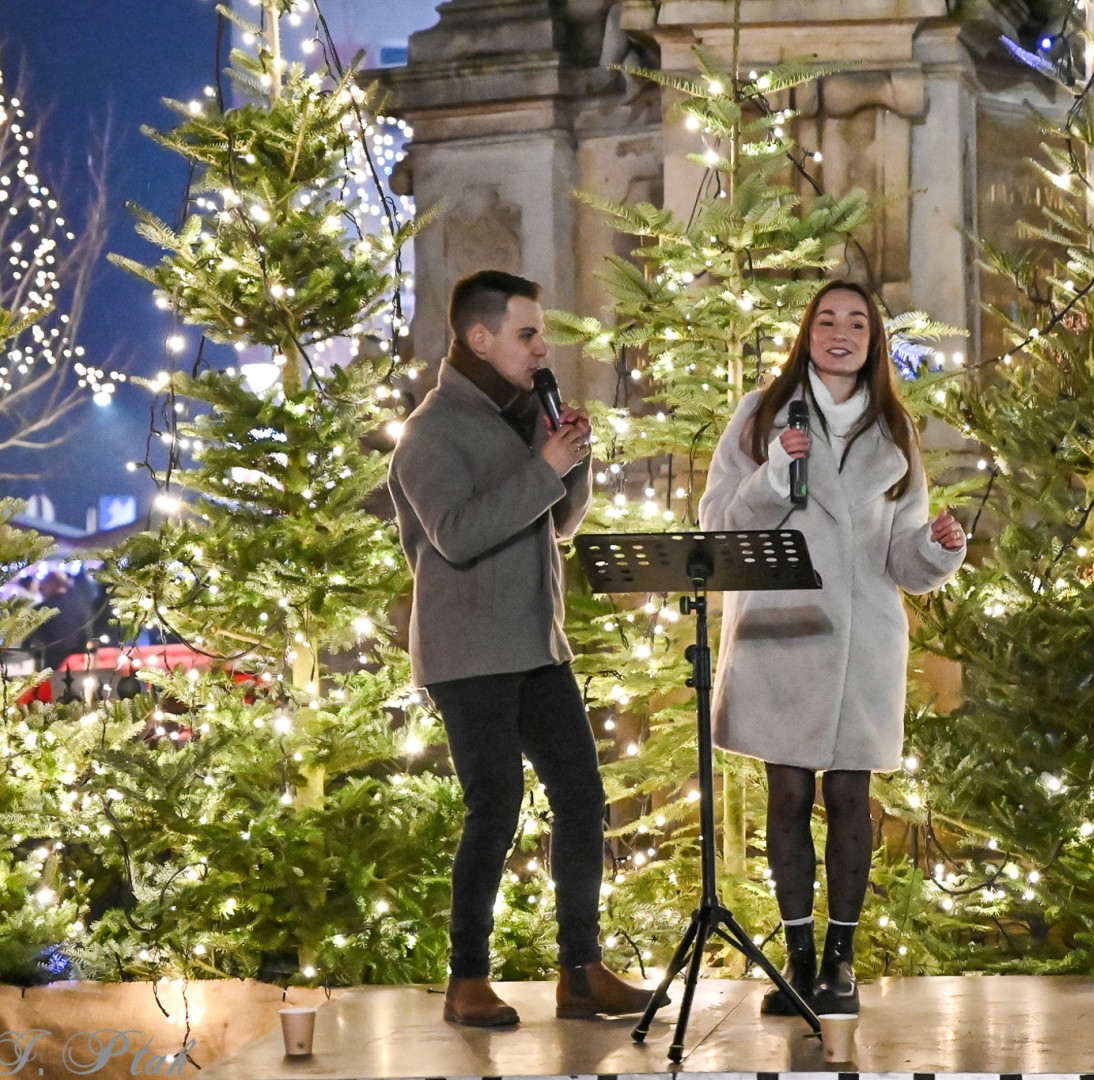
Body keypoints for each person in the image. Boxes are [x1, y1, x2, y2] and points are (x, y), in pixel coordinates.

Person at [389, 269, 658, 1027]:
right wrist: (544, 466)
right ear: (480, 338)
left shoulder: (516, 414)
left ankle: (582, 972)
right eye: (528, 333)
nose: (544, 348)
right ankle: (466, 978)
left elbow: (560, 523)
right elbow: (459, 535)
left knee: (582, 799)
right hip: (469, 653)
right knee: (496, 807)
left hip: (538, 645)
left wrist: (571, 456)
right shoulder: (431, 430)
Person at [698, 280, 966, 1016]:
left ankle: (841, 961)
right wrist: (773, 476)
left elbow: (904, 563)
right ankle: (798, 957)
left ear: (874, 339)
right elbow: (717, 522)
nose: (841, 332)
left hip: (864, 639)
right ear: (806, 332)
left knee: (850, 795)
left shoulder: (894, 431)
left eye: (856, 322)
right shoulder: (759, 416)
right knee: (786, 795)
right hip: (782, 634)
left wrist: (939, 548)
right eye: (827, 319)